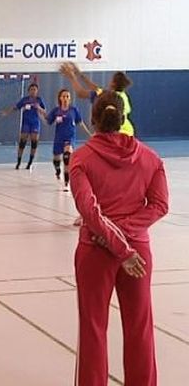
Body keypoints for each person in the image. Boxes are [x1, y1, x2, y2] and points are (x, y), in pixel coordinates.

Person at [69, 91, 168, 386]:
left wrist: (116, 241)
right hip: (138, 253)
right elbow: (160, 205)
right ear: (124, 119)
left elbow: (89, 211)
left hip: (97, 252)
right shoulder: (151, 159)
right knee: (140, 327)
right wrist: (127, 237)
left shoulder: (81, 159)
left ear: (92, 119)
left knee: (93, 328)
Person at [60, 62, 135, 136]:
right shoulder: (122, 95)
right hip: (128, 131)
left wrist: (71, 77)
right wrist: (79, 74)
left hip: (117, 133)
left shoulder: (107, 97)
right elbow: (95, 88)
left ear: (113, 83)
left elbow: (81, 93)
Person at [44, 89, 92, 191]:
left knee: (67, 158)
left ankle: (66, 183)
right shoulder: (56, 111)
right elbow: (48, 121)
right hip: (58, 138)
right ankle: (57, 170)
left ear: (70, 99)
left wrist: (89, 134)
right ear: (60, 98)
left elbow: (80, 123)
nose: (65, 98)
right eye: (63, 96)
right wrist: (41, 112)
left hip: (69, 137)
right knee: (56, 159)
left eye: (67, 96)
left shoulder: (73, 110)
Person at [0, 83, 46, 170]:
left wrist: (39, 108)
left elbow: (44, 111)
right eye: (31, 89)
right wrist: (7, 112)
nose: (33, 91)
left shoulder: (39, 100)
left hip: (35, 123)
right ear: (28, 91)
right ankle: (18, 161)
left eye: (35, 90)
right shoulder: (25, 100)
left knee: (34, 143)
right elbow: (16, 107)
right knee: (22, 142)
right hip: (26, 123)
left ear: (37, 91)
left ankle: (30, 162)